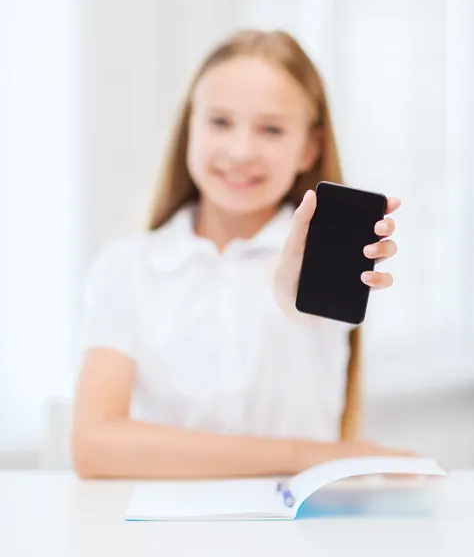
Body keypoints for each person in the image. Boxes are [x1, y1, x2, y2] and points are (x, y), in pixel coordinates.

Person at [72, 29, 410, 480]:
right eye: (220, 122)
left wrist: (293, 282)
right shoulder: (127, 267)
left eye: (271, 129)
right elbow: (95, 445)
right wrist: (313, 457)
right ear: (190, 125)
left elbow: (295, 302)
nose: (240, 151)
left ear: (309, 147)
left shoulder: (331, 255)